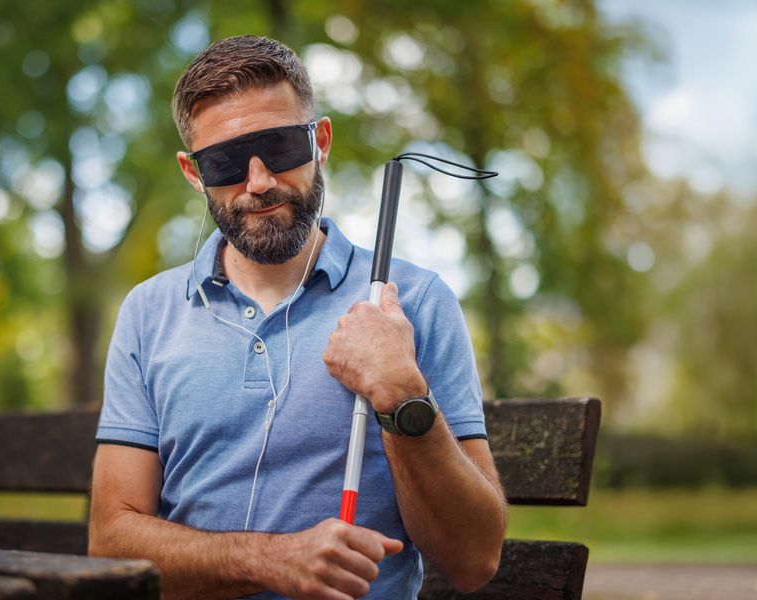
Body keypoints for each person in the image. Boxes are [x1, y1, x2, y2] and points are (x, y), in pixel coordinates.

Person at [88, 35, 506, 599]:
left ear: (321, 141)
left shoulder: (415, 301)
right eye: (226, 162)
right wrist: (270, 560)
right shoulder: (147, 312)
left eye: (280, 147)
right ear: (193, 172)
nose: (258, 181)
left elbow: (474, 559)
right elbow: (111, 541)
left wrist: (401, 393)